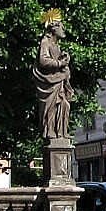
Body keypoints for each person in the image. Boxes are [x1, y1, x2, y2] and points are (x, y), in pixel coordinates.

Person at [33, 10, 73, 143]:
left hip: (59, 81)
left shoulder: (56, 45)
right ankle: (51, 132)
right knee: (51, 109)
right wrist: (60, 63)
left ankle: (62, 132)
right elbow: (43, 60)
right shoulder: (46, 41)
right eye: (61, 27)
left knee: (64, 105)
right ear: (54, 28)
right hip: (49, 83)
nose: (63, 30)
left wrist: (63, 59)